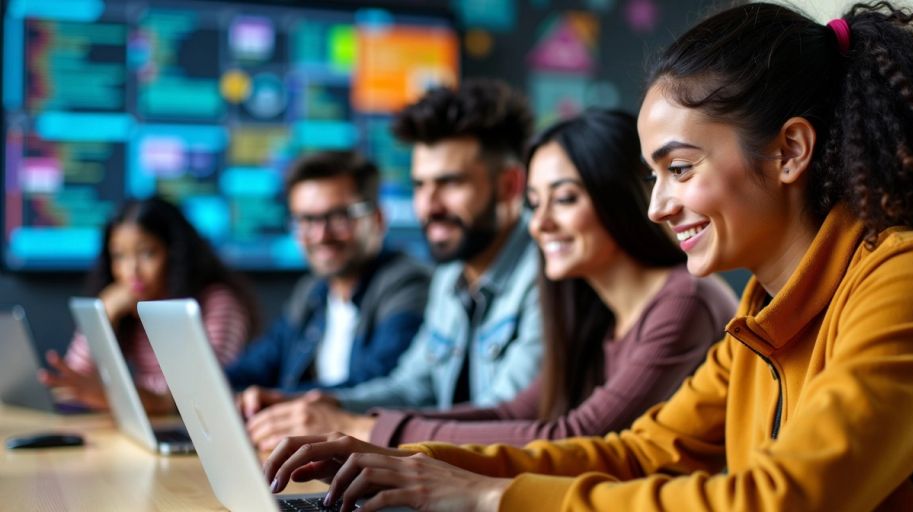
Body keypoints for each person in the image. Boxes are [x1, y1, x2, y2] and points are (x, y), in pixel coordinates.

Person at [262, 2, 913, 510]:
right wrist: (429, 476)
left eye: (680, 168)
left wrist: (489, 499)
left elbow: (787, 498)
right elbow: (639, 453)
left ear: (791, 151)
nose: (657, 206)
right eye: (653, 175)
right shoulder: (763, 317)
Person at [304, 110, 738, 448]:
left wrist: (373, 431)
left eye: (564, 199)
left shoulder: (685, 301)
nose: (540, 224)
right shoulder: (591, 308)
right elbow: (517, 412)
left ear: (617, 198)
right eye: (535, 202)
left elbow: (579, 435)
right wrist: (363, 425)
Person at [242, 79, 545, 451]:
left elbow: (504, 418)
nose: (428, 207)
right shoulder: (450, 274)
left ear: (511, 185)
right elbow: (414, 386)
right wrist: (319, 406)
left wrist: (352, 424)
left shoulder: (547, 273)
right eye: (420, 186)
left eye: (449, 183)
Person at [225, 151, 431, 397]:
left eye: (339, 217)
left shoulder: (407, 284)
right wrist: (183, 395)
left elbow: (381, 382)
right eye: (307, 220)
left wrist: (281, 401)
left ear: (377, 219)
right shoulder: (312, 291)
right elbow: (254, 367)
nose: (321, 236)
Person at [39, 196, 260, 414]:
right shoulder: (129, 306)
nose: (131, 270)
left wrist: (113, 394)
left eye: (147, 253)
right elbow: (73, 383)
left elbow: (203, 392)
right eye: (119, 256)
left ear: (175, 254)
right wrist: (104, 315)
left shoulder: (217, 302)